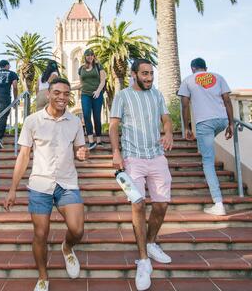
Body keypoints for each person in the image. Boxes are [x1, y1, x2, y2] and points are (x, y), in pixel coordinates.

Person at [4, 78, 89, 291]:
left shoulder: (75, 122)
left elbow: (80, 150)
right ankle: (43, 276)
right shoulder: (33, 121)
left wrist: (81, 154)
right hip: (40, 184)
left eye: (66, 93)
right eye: (58, 93)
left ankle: (67, 248)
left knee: (77, 230)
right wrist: (13, 189)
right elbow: (23, 156)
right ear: (48, 94)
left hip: (67, 182)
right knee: (40, 234)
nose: (62, 97)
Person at [109, 58, 173, 291]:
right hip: (133, 158)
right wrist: (116, 152)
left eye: (151, 74)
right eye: (144, 74)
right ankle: (144, 260)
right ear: (134, 74)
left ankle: (151, 241)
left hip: (156, 156)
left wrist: (168, 133)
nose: (148, 78)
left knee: (162, 205)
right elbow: (114, 125)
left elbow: (166, 119)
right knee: (137, 202)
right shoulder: (122, 96)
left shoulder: (156, 95)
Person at [178, 57, 234, 216]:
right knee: (207, 146)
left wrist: (187, 127)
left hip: (205, 123)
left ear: (192, 69)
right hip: (221, 120)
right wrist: (230, 124)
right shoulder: (218, 77)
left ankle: (218, 203)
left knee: (208, 161)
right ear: (205, 68)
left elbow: (184, 104)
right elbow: (227, 100)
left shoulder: (188, 80)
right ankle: (204, 146)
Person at [73, 49, 106, 150]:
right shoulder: (81, 69)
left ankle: (99, 140)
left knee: (97, 117)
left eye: (92, 55)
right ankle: (91, 141)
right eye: (88, 55)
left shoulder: (98, 66)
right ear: (85, 57)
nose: (90, 57)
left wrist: (98, 91)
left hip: (97, 95)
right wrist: (68, 88)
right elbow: (81, 84)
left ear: (94, 56)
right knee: (86, 116)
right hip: (85, 95)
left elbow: (103, 81)